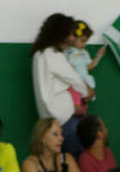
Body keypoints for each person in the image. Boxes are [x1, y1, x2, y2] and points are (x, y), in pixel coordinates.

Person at [32, 15, 91, 157]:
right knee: (76, 161)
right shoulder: (53, 54)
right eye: (69, 34)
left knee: (61, 163)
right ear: (59, 34)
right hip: (65, 120)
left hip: (49, 123)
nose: (72, 38)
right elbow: (75, 80)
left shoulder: (39, 54)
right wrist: (87, 92)